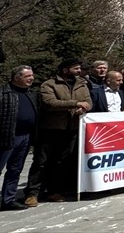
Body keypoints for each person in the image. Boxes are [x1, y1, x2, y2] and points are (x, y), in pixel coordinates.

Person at [0, 66, 39, 219]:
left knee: (15, 170)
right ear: (16, 77)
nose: (31, 78)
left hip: (26, 137)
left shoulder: (31, 94)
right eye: (27, 76)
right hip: (5, 138)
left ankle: (8, 200)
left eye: (32, 75)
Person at [28, 58, 90, 203]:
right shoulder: (49, 84)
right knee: (41, 162)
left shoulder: (82, 84)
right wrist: (75, 103)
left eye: (79, 68)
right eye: (76, 68)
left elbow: (88, 102)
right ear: (65, 70)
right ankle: (32, 193)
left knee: (62, 162)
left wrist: (83, 107)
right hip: (51, 129)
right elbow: (50, 103)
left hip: (72, 129)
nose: (79, 71)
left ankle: (54, 191)